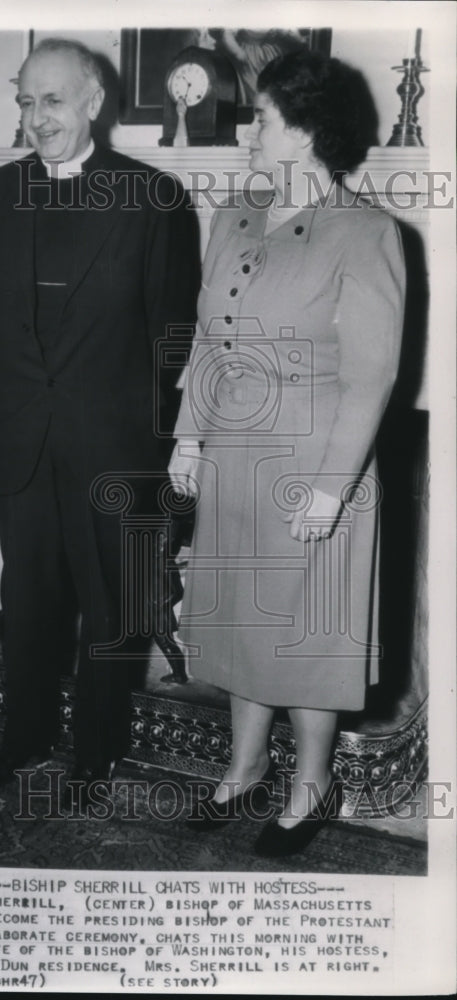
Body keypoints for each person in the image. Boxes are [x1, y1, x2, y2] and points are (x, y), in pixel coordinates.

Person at [169, 51, 405, 855]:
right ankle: (239, 770)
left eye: (261, 117)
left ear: (303, 133)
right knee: (240, 622)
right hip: (233, 456)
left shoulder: (368, 233)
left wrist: (330, 490)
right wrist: (188, 435)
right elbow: (207, 336)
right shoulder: (233, 213)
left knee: (305, 633)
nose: (248, 129)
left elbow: (372, 376)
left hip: (311, 465)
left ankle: (310, 785)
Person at [0, 38, 199, 802]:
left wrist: (157, 444)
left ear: (95, 102)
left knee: (107, 605)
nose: (35, 118)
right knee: (26, 599)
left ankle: (94, 754)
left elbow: (172, 333)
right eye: (25, 101)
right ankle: (22, 737)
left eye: (52, 100)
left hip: (112, 443)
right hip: (18, 439)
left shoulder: (152, 198)